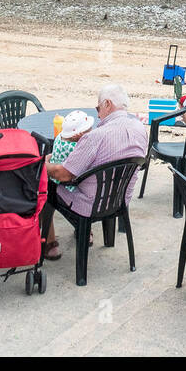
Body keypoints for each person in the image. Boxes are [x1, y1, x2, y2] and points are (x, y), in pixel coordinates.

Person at [42, 83, 148, 260]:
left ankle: (49, 243)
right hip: (120, 199)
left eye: (98, 108)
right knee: (91, 179)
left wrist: (43, 165)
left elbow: (64, 174)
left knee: (46, 185)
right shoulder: (140, 128)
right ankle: (90, 233)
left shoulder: (95, 137)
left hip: (90, 204)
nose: (98, 114)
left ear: (107, 104)